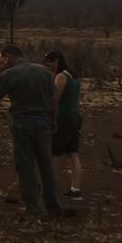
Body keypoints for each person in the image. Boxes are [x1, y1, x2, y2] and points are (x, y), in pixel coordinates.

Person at [0, 44, 62, 217]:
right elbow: (53, 99)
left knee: (26, 167)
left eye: (2, 58)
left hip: (21, 122)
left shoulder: (9, 74)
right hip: (43, 121)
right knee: (46, 164)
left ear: (7, 56)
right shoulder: (44, 71)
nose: (1, 61)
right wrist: (53, 119)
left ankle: (35, 209)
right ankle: (53, 206)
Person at [43, 50, 83, 199]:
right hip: (75, 116)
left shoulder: (61, 77)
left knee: (53, 153)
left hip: (63, 117)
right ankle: (75, 189)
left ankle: (49, 188)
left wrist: (48, 116)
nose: (49, 67)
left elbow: (55, 99)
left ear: (57, 61)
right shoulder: (74, 76)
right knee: (73, 153)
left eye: (50, 63)